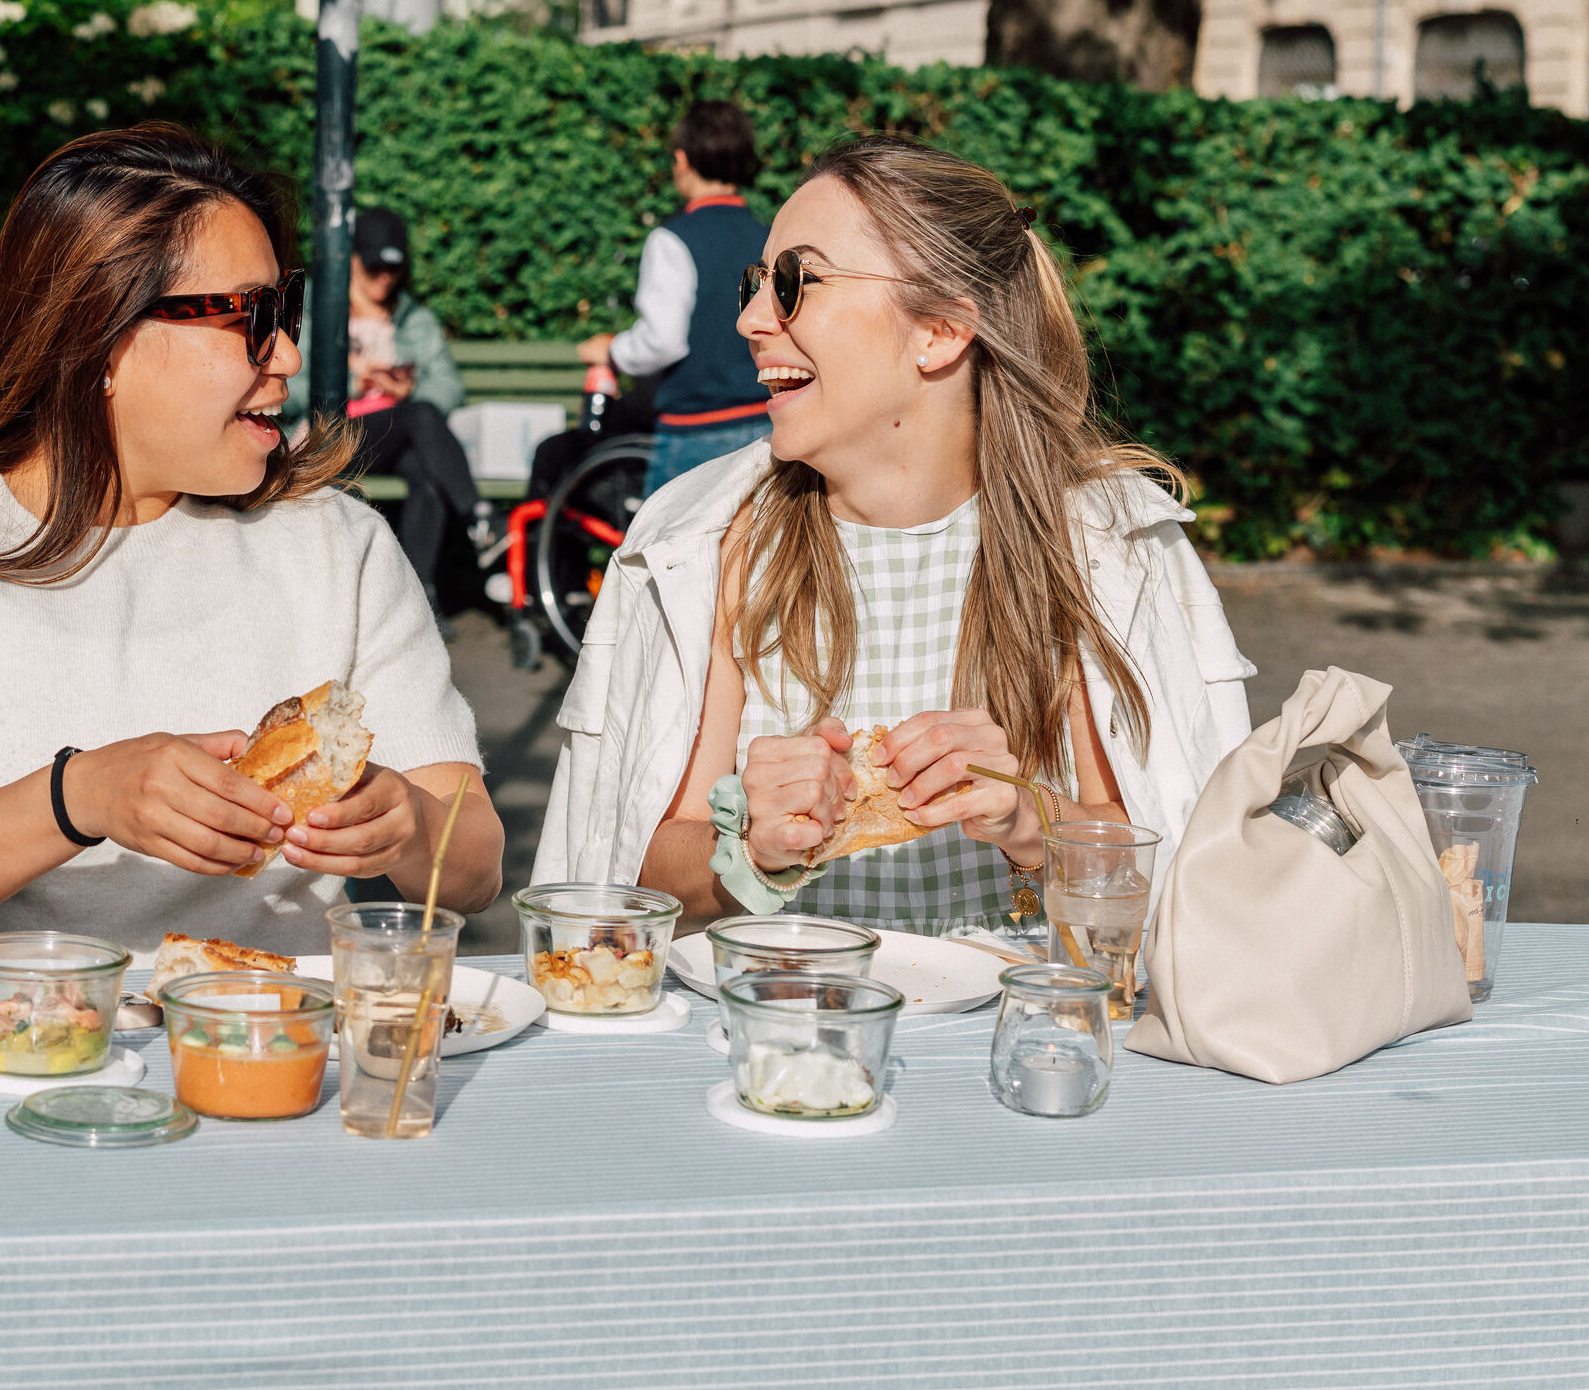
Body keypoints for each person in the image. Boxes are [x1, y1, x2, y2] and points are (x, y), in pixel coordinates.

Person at [0, 126, 502, 977]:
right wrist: (79, 797)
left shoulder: (338, 545)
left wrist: (408, 823)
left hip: (276, 1039)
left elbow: (476, 868)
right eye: (251, 317)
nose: (289, 354)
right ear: (98, 336)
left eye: (287, 309)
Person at [533, 136, 1255, 937]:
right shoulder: (715, 545)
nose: (750, 319)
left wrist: (1028, 818)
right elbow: (631, 872)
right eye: (754, 283)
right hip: (780, 1006)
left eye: (794, 282)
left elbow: (1182, 870)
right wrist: (748, 849)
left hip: (1019, 1007)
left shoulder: (1094, 548)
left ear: (939, 330)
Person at [283, 206, 489, 608]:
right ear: (351, 260)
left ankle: (418, 600)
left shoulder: (413, 319)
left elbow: (449, 386)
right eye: (374, 267)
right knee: (421, 416)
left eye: (393, 269)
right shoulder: (315, 312)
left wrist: (407, 388)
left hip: (393, 438)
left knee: (427, 472)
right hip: (329, 434)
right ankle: (480, 518)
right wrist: (349, 384)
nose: (384, 278)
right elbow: (287, 386)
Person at [574, 101, 775, 498]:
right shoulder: (768, 235)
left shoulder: (671, 239)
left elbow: (663, 340)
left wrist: (612, 351)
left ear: (682, 160)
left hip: (696, 428)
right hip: (766, 420)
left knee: (669, 535)